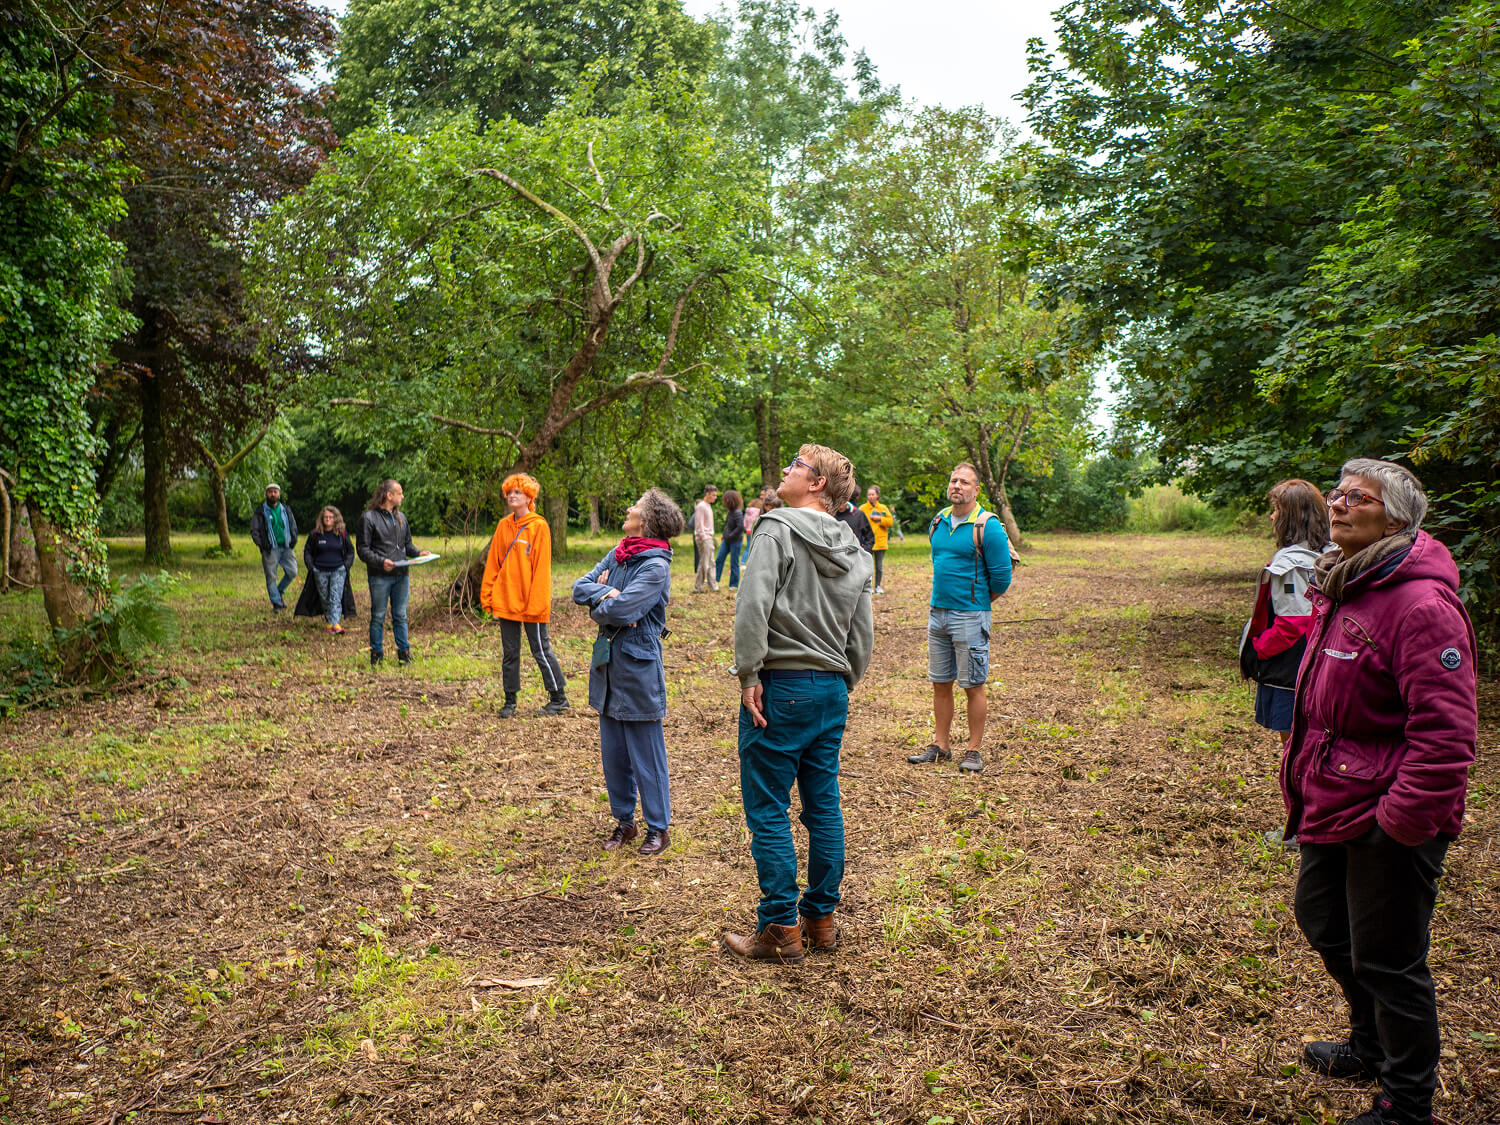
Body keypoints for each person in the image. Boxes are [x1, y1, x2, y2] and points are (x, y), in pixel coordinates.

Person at [1283, 459, 1476, 1125]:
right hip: (1334, 796)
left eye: (1355, 497)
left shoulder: (1420, 604)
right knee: (1325, 920)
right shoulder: (1349, 581)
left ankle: (1407, 1102)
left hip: (1391, 814)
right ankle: (1368, 1044)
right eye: (1336, 494)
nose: (1336, 504)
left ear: (1393, 517)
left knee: (1391, 961)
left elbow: (1447, 735)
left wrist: (1400, 822)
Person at [723, 443, 874, 964]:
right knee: (823, 806)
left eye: (796, 464)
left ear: (816, 485)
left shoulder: (776, 527)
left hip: (779, 685)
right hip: (831, 689)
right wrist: (841, 681)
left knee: (768, 807)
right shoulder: (856, 549)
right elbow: (863, 634)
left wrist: (749, 673)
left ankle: (779, 928)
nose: (786, 469)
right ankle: (822, 919)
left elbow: (753, 603)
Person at [572, 489, 685, 857]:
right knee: (614, 753)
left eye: (634, 506)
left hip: (638, 668)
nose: (627, 508)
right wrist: (607, 594)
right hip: (608, 667)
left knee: (646, 753)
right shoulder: (620, 552)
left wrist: (603, 598)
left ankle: (659, 827)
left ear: (648, 519)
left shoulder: (655, 565)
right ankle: (625, 822)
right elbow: (578, 588)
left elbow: (620, 612)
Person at [1239, 479, 1329, 849]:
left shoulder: (1290, 564)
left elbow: (1293, 622)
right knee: (1311, 744)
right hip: (1320, 661)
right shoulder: (1332, 554)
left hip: (1291, 668)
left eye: (1276, 510)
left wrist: (1259, 647)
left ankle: (1302, 827)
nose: (1271, 516)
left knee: (1295, 748)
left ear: (1291, 517)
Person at [908, 462, 1012, 774]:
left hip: (970, 616)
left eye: (964, 482)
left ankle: (973, 750)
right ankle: (940, 746)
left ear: (976, 489)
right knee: (940, 682)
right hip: (937, 614)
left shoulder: (987, 526)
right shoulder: (938, 521)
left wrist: (977, 601)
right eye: (953, 480)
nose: (957, 486)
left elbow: (1002, 578)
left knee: (973, 684)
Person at [480, 473, 569, 716]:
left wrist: (538, 603)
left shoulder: (538, 526)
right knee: (510, 653)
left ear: (529, 497)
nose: (511, 496)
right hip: (506, 599)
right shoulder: (503, 526)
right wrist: (487, 596)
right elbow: (493, 564)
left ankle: (558, 698)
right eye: (509, 492)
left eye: (517, 492)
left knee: (541, 649)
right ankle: (510, 702)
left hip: (532, 602)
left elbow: (541, 568)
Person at [357, 479, 429, 667]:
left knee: (400, 615)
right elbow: (363, 550)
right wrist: (381, 562)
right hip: (379, 576)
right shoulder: (368, 518)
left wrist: (419, 553)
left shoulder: (401, 518)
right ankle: (376, 655)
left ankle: (404, 654)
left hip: (401, 574)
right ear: (389, 495)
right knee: (378, 616)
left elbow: (407, 546)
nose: (402, 496)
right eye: (400, 493)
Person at [294, 505, 356, 632]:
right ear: (322, 519)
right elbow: (307, 551)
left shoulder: (342, 534)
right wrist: (311, 567)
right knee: (324, 597)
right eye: (325, 517)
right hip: (320, 571)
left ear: (336, 518)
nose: (328, 519)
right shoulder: (315, 534)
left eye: (330, 517)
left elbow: (350, 551)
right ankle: (330, 623)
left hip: (338, 570)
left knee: (335, 596)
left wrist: (346, 566)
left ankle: (336, 624)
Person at [249, 483, 298, 613]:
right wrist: (262, 544)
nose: (273, 494)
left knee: (292, 572)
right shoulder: (260, 511)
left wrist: (294, 539)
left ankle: (279, 591)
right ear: (266, 494)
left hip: (286, 547)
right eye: (270, 492)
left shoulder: (286, 509)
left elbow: (293, 525)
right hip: (270, 549)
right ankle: (277, 603)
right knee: (271, 577)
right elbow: (254, 530)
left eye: (275, 492)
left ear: (279, 494)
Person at [859, 485, 895, 593]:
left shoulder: (883, 508)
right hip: (867, 543)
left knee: (879, 567)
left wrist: (880, 519)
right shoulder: (862, 508)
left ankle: (878, 586)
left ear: (877, 495)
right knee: (866, 566)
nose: (870, 496)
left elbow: (890, 522)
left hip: (880, 542)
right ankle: (866, 587)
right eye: (869, 494)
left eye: (872, 494)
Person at [715, 489, 745, 590]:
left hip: (735, 541)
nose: (724, 502)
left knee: (734, 562)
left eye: (726, 500)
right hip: (726, 541)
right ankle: (715, 579)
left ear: (731, 500)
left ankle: (734, 584)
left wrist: (730, 535)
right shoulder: (730, 512)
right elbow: (728, 525)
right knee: (719, 559)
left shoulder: (738, 512)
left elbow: (740, 527)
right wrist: (724, 535)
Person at [692, 485, 718, 592]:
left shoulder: (708, 505)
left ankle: (713, 586)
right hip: (704, 538)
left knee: (710, 562)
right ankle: (698, 587)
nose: (715, 497)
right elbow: (699, 524)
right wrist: (704, 537)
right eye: (713, 495)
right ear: (707, 494)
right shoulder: (701, 506)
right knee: (705, 563)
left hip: (708, 537)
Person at [740, 492, 762, 565]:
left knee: (748, 547)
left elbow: (744, 523)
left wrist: (746, 529)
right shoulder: (759, 511)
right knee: (755, 548)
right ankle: (749, 563)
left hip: (748, 531)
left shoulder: (747, 511)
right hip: (755, 531)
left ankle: (743, 562)